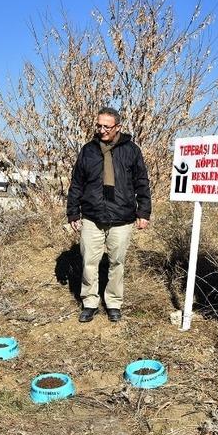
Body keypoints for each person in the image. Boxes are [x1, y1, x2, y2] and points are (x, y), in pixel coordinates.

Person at [66, 107, 151, 323]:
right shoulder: (88, 150)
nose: (102, 130)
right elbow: (77, 183)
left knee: (117, 262)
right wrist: (73, 212)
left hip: (122, 217)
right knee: (89, 261)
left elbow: (142, 182)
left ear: (118, 127)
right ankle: (90, 302)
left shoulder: (132, 150)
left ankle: (113, 302)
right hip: (92, 217)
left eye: (107, 126)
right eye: (99, 125)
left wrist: (144, 212)